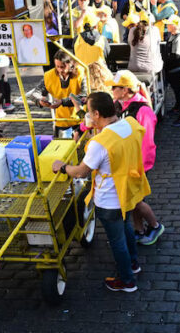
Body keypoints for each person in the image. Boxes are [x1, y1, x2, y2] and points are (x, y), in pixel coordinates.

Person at [53, 92, 150, 292]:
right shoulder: (130, 124)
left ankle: (127, 280)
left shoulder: (100, 143)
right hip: (127, 192)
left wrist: (61, 167)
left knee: (117, 241)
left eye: (89, 112)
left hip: (109, 199)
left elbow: (81, 171)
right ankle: (133, 264)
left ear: (97, 113)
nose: (88, 116)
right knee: (126, 229)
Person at [107, 71, 164, 245]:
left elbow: (147, 143)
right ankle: (139, 229)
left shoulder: (143, 110)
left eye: (114, 87)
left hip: (137, 165)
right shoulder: (119, 104)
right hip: (126, 162)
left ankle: (155, 226)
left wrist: (139, 166)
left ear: (124, 90)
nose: (111, 89)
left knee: (137, 200)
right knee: (133, 201)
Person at [32, 50, 87, 138]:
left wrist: (62, 102)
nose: (60, 70)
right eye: (57, 67)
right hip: (61, 120)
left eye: (63, 67)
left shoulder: (81, 72)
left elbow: (84, 96)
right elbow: (35, 93)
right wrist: (40, 101)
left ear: (71, 64)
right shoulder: (49, 76)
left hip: (81, 118)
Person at [164, 15, 180, 127]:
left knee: (179, 91)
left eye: (169, 24)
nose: (167, 26)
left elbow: (177, 55)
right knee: (176, 89)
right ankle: (177, 107)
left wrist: (165, 61)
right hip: (173, 67)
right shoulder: (173, 35)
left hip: (177, 68)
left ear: (174, 25)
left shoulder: (179, 38)